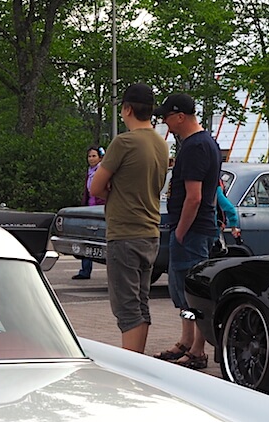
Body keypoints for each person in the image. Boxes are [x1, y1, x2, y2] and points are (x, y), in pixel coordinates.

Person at [88, 82, 168, 352]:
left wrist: (113, 188)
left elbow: (95, 187)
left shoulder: (123, 142)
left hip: (124, 233)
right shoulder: (160, 143)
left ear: (127, 109)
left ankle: (131, 368)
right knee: (141, 302)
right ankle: (140, 361)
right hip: (150, 231)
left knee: (126, 307)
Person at [153, 92, 221, 370]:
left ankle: (197, 350)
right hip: (195, 228)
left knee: (192, 292)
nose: (166, 125)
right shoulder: (205, 143)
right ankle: (185, 340)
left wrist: (180, 230)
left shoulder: (195, 147)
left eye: (167, 118)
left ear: (181, 116)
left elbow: (194, 196)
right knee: (182, 291)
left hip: (192, 230)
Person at [73, 145, 105, 280]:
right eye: (89, 156)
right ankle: (85, 270)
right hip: (89, 207)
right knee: (87, 239)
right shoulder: (90, 172)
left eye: (94, 156)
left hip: (100, 208)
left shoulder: (102, 171)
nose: (91, 159)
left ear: (100, 157)